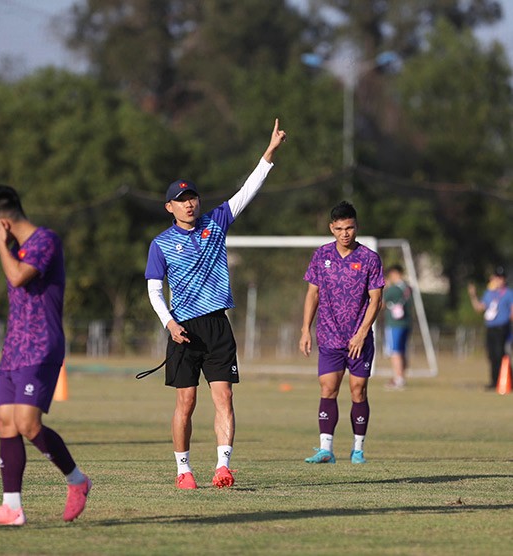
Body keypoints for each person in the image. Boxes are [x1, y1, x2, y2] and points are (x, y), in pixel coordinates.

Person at [145, 118, 287, 490]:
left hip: (217, 324)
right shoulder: (160, 244)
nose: (189, 203)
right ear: (169, 207)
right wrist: (169, 324)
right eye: (181, 200)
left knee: (224, 395)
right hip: (184, 329)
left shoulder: (216, 222)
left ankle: (223, 466)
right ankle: (183, 470)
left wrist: (269, 154)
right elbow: (155, 290)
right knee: (186, 402)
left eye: (192, 197)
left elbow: (247, 190)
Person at [0, 185, 91, 527]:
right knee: (6, 423)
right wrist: (5, 246)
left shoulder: (45, 241)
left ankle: (77, 480)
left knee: (27, 423)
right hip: (13, 349)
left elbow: (19, 277)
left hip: (41, 347)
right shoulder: (17, 248)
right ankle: (11, 507)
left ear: (4, 223)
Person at [299, 201, 384, 465]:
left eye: (349, 227)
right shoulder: (321, 255)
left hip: (359, 340)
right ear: (331, 229)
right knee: (328, 388)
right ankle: (326, 449)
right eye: (339, 228)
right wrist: (305, 329)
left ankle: (358, 449)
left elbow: (376, 300)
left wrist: (361, 333)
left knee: (358, 390)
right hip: (329, 336)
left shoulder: (370, 259)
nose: (345, 233)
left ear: (356, 226)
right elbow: (312, 294)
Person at [467, 266, 513, 390]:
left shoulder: (509, 294)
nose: (498, 280)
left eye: (500, 278)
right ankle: (494, 381)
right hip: (490, 328)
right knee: (492, 355)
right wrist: (473, 295)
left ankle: (505, 380)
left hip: (502, 328)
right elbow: (479, 308)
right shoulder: (489, 293)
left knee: (501, 354)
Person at [383, 264, 412, 390]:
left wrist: (385, 288)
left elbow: (381, 304)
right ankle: (401, 377)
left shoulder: (394, 289)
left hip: (394, 324)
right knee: (402, 351)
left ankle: (398, 379)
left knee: (395, 352)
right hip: (406, 323)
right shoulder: (408, 288)